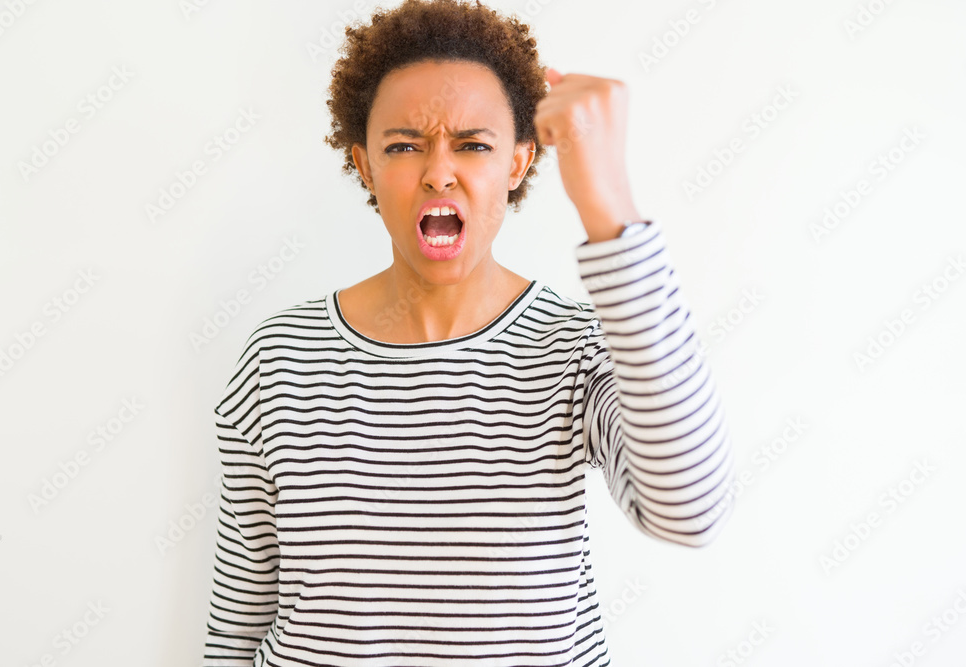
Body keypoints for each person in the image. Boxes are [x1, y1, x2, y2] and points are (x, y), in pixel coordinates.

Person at [202, 0, 735, 664]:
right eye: (404, 145)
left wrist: (609, 203)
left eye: (474, 144)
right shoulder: (279, 358)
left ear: (517, 163)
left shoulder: (578, 349)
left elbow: (692, 511)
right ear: (364, 165)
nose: (438, 172)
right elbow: (238, 621)